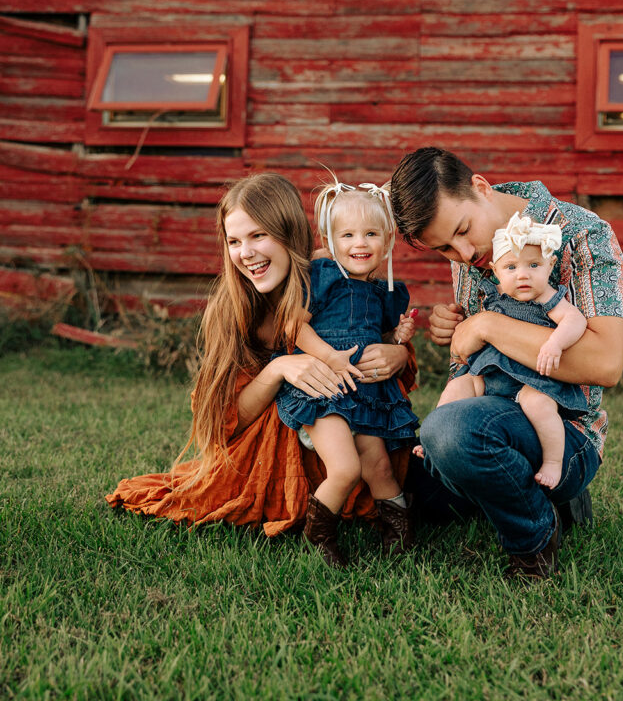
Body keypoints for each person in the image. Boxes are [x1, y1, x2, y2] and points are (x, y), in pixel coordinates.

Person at [106, 173, 416, 551]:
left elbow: (371, 335)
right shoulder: (235, 308)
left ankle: (391, 521)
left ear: (288, 234)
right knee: (345, 463)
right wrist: (279, 368)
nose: (246, 253)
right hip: (278, 445)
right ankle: (320, 527)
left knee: (396, 471)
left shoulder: (339, 279)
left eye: (258, 236)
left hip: (355, 414)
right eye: (234, 241)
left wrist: (398, 352)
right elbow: (223, 420)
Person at [390, 147, 623, 579]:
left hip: (562, 429)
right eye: (444, 248)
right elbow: (473, 363)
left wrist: (487, 325)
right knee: (395, 460)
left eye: (463, 231)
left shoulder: (582, 232)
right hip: (492, 407)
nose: (463, 253)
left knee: (449, 432)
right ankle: (519, 489)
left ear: (480, 187)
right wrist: (459, 339)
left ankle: (534, 536)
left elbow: (607, 363)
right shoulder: (472, 255)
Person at [274, 177, 420, 565]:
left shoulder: (385, 291)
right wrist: (330, 357)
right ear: (331, 240)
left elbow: (380, 335)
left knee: (380, 467)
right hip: (323, 389)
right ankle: (318, 534)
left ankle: (398, 533)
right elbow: (294, 326)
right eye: (349, 235)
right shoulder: (323, 276)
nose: (360, 243)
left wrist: (397, 338)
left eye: (371, 234)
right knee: (346, 467)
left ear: (387, 241)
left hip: (367, 394)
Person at [414, 211, 589, 491]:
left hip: (531, 381)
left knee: (539, 405)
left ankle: (554, 462)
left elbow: (575, 320)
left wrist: (556, 342)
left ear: (550, 265)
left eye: (534, 265)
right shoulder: (494, 295)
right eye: (511, 268)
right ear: (495, 271)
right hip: (491, 376)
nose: (523, 275)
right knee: (459, 386)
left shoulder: (547, 298)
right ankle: (430, 439)